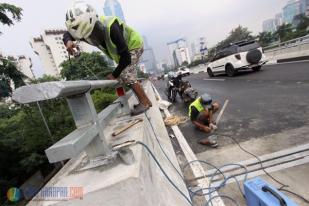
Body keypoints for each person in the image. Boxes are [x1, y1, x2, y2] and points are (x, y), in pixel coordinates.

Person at [63, 1, 152, 116]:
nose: (90, 39)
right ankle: (146, 101)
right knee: (126, 75)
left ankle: (144, 103)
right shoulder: (83, 30)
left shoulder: (112, 27)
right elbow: (67, 34)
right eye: (86, 37)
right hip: (122, 54)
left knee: (125, 73)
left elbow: (126, 58)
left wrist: (114, 74)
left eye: (91, 34)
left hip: (133, 45)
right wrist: (68, 41)